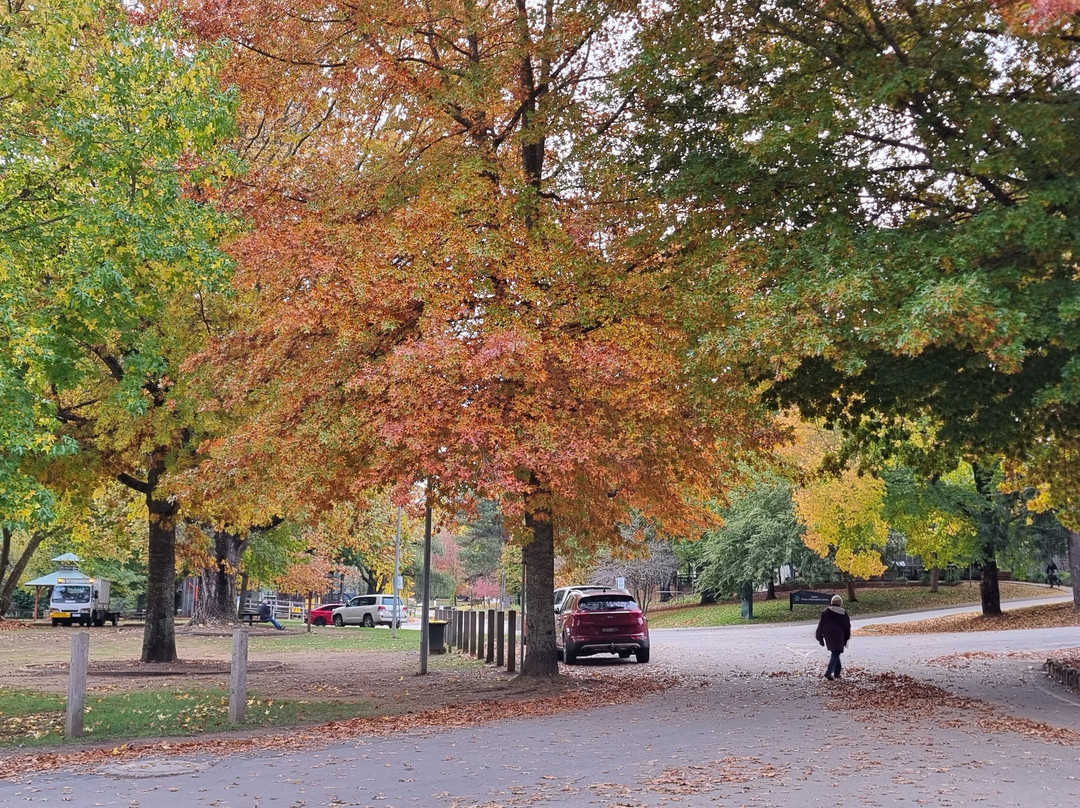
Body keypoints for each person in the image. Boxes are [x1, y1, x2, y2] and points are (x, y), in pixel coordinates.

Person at [815, 594, 851, 681]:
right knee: (836, 653)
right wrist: (847, 638)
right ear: (840, 603)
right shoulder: (843, 612)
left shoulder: (825, 612)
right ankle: (829, 672)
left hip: (828, 635)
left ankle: (837, 673)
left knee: (835, 652)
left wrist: (819, 637)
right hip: (838, 635)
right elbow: (847, 626)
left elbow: (821, 625)